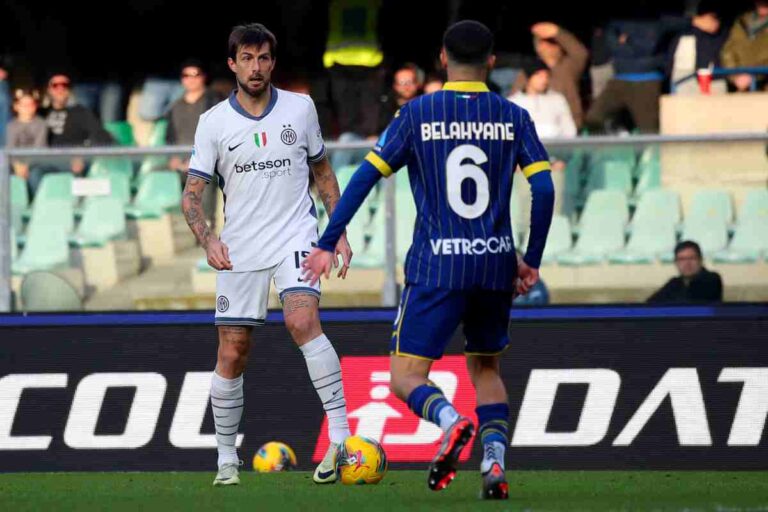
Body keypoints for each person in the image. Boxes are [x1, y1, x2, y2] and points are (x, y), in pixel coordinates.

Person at [303, 20, 555, 500]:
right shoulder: (513, 116)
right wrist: (532, 258)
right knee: (486, 370)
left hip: (437, 266)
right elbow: (542, 187)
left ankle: (449, 419)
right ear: (492, 63)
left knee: (405, 376)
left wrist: (327, 239)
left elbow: (364, 178)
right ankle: (494, 465)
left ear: (443, 59)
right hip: (495, 262)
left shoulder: (417, 114)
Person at [181, 23, 354, 487]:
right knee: (233, 351)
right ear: (232, 64)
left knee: (302, 321)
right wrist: (208, 239)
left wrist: (336, 231)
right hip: (240, 248)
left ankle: (340, 438)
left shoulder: (300, 108)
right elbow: (192, 196)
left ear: (272, 63)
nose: (255, 67)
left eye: (263, 58)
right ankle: (225, 460)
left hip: (296, 236)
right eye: (247, 58)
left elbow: (322, 173)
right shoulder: (213, 121)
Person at [585, 12, 720, 133]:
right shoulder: (615, 20)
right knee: (594, 118)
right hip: (619, 79)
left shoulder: (656, 20)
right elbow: (613, 45)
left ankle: (653, 159)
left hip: (646, 82)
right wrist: (629, 45)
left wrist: (627, 42)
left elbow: (648, 46)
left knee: (649, 131)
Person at [41, 72, 113, 176]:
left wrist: (82, 155)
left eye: (64, 85)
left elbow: (103, 137)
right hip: (44, 160)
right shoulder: (41, 113)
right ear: (49, 90)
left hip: (71, 160)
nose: (60, 89)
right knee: (34, 173)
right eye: (55, 86)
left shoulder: (81, 112)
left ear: (70, 90)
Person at [531, 22, 589, 128]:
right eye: (542, 42)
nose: (546, 46)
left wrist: (557, 32)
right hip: (539, 126)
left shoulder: (569, 66)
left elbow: (581, 53)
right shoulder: (531, 70)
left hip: (569, 125)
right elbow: (516, 96)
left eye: (551, 42)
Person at [669, 1, 728, 94]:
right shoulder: (674, 17)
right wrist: (693, 21)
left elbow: (715, 24)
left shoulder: (721, 18)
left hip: (713, 76)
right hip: (683, 78)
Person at [647, 241, 723, 303]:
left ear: (700, 260)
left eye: (692, 258)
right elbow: (650, 305)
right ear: (676, 263)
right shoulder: (674, 283)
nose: (687, 263)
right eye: (682, 259)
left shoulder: (712, 279)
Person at [5, 89, 48, 195]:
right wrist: (16, 165)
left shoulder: (41, 124)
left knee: (35, 176)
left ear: (35, 106)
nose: (27, 108)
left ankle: (35, 204)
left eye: (30, 104)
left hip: (36, 162)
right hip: (16, 163)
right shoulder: (11, 126)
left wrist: (26, 166)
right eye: (23, 105)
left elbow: (39, 148)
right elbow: (10, 148)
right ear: (16, 107)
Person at [721, 0, 768, 92]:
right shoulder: (742, 23)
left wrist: (757, 74)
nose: (763, 5)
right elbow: (728, 51)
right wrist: (735, 76)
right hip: (742, 85)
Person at [376, 63, 423, 135]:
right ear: (395, 86)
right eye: (402, 83)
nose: (406, 86)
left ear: (417, 84)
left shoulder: (425, 106)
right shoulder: (386, 109)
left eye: (410, 82)